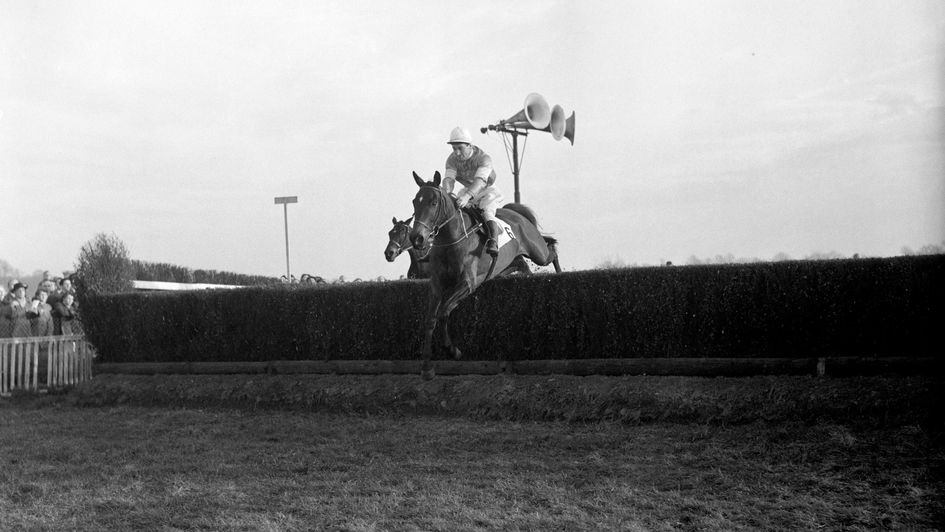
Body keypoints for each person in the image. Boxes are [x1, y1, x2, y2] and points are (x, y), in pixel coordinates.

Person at [442, 126, 505, 256]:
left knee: (487, 212)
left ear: (469, 145)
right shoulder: (451, 160)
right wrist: (446, 193)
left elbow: (480, 182)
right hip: (467, 189)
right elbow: (449, 179)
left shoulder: (484, 158)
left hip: (487, 190)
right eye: (454, 148)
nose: (457, 153)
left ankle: (493, 241)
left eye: (460, 148)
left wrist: (466, 197)